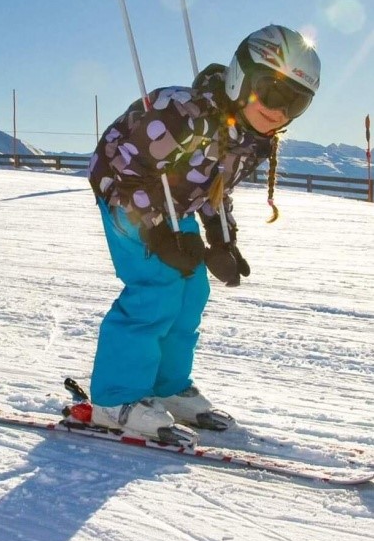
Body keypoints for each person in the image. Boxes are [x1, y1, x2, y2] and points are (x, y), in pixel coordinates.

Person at [86, 25, 321, 444]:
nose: (280, 111)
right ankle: (115, 399)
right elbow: (123, 172)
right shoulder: (179, 112)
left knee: (193, 290)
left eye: (296, 103)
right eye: (272, 92)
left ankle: (168, 386)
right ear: (242, 79)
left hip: (178, 205)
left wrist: (221, 239)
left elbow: (215, 188)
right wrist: (158, 234)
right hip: (126, 196)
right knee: (156, 285)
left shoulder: (249, 138)